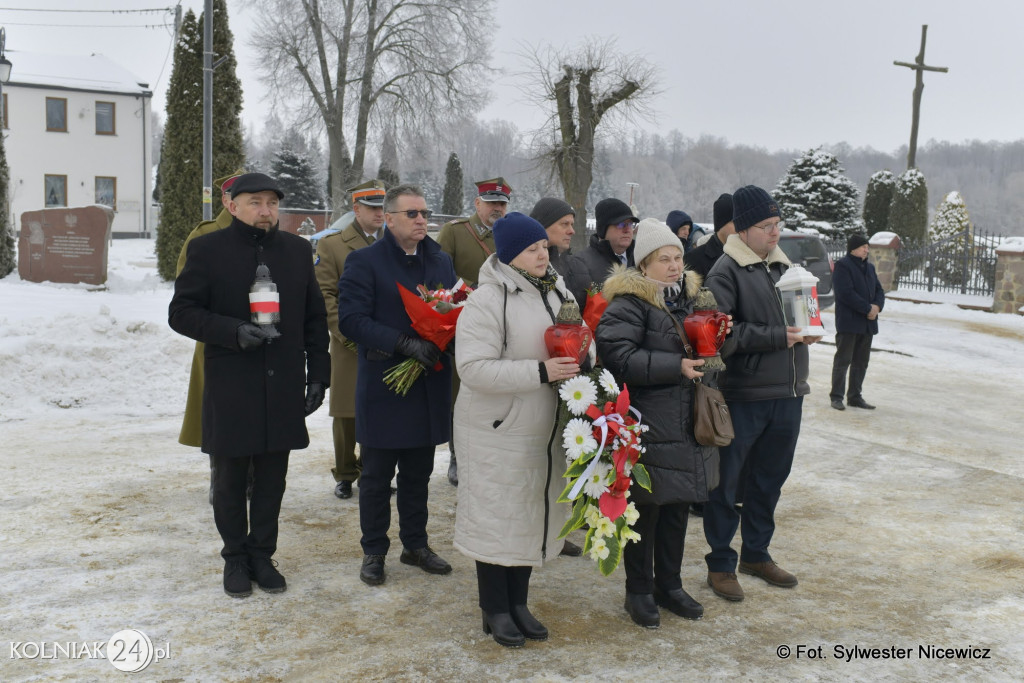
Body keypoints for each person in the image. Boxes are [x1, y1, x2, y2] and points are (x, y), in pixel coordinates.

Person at [168, 172, 330, 598]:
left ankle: (262, 554)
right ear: (232, 205)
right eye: (256, 202)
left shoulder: (296, 251)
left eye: (272, 203)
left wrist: (319, 374)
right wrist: (231, 331)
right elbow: (181, 313)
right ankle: (235, 558)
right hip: (231, 380)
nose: (266, 211)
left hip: (283, 381)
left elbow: (314, 316)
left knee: (274, 475)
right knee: (230, 477)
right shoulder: (207, 249)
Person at [453, 212, 594, 647]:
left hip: (543, 426)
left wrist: (586, 359)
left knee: (530, 514)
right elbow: (473, 368)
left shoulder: (556, 289)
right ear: (510, 254)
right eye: (531, 249)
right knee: (498, 516)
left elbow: (581, 332)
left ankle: (518, 603)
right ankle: (494, 608)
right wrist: (542, 371)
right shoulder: (488, 300)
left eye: (543, 247)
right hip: (497, 427)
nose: (542, 253)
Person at [597, 218, 721, 628]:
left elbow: (711, 352)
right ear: (643, 264)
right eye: (664, 259)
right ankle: (639, 590)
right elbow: (617, 355)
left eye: (678, 257)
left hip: (687, 423)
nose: (674, 265)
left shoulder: (689, 297)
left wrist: (723, 334)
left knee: (678, 509)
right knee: (645, 511)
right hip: (648, 422)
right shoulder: (628, 303)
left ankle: (670, 584)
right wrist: (675, 366)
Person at [702, 185, 822, 603]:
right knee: (728, 482)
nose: (775, 232)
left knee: (770, 478)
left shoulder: (783, 267)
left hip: (789, 391)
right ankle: (720, 562)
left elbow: (798, 317)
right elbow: (721, 335)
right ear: (743, 229)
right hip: (745, 393)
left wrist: (806, 332)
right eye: (766, 226)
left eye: (777, 224)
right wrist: (779, 337)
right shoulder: (725, 271)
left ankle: (756, 552)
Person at [337, 184, 457, 587]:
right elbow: (351, 319)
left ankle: (415, 545)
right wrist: (403, 342)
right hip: (385, 385)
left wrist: (444, 339)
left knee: (418, 474)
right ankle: (374, 550)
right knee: (375, 477)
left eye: (424, 213)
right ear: (388, 219)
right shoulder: (365, 261)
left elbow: (453, 308)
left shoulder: (440, 261)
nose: (422, 219)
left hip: (426, 384)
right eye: (412, 214)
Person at [315, 179, 387, 499]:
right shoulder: (332, 245)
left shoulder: (396, 243)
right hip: (350, 343)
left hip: (388, 342)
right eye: (372, 207)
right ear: (356, 209)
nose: (379, 213)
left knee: (383, 409)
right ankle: (345, 472)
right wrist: (347, 334)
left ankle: (376, 470)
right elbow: (325, 295)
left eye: (382, 207)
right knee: (347, 412)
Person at [437, 177, 512, 486]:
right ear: (477, 203)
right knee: (461, 394)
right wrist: (471, 293)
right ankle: (458, 456)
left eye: (502, 203)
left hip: (505, 327)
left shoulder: (511, 234)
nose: (497, 208)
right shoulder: (455, 233)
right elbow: (439, 271)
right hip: (463, 325)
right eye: (491, 202)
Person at [175, 170, 243, 504]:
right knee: (220, 414)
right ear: (226, 200)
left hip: (264, 341)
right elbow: (186, 292)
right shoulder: (206, 235)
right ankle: (223, 479)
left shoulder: (269, 233)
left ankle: (256, 479)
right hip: (219, 341)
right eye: (240, 195)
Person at [830, 233, 884, 411]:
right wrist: (867, 309)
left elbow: (879, 290)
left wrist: (876, 306)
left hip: (867, 324)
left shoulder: (869, 268)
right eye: (863, 247)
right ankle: (836, 396)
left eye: (867, 247)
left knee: (861, 362)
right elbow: (845, 293)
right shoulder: (843, 266)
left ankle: (855, 396)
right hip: (849, 322)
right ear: (853, 248)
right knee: (843, 360)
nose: (866, 250)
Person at [529, 198, 590, 314]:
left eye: (572, 224)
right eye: (564, 224)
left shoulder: (577, 265)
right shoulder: (525, 266)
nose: (572, 231)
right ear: (543, 226)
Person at [575, 197, 638, 291]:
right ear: (603, 229)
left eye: (630, 224)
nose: (627, 230)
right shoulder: (580, 264)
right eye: (621, 225)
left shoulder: (641, 259)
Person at [685, 193, 735, 280]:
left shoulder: (745, 255)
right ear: (721, 224)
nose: (740, 227)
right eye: (734, 221)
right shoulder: (694, 259)